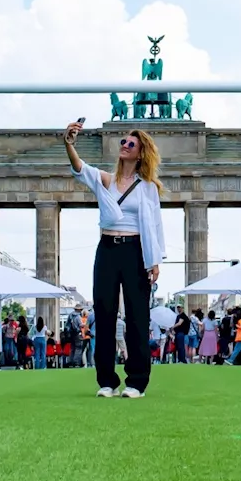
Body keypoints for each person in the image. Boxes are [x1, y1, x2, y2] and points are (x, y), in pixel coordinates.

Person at [65, 120, 165, 399]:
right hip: (107, 248)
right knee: (104, 313)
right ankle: (106, 380)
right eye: (123, 142)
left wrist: (154, 262)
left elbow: (155, 225)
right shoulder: (106, 179)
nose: (124, 145)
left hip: (135, 250)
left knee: (137, 317)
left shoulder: (148, 187)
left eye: (130, 144)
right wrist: (69, 144)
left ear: (140, 152)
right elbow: (79, 169)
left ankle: (136, 382)